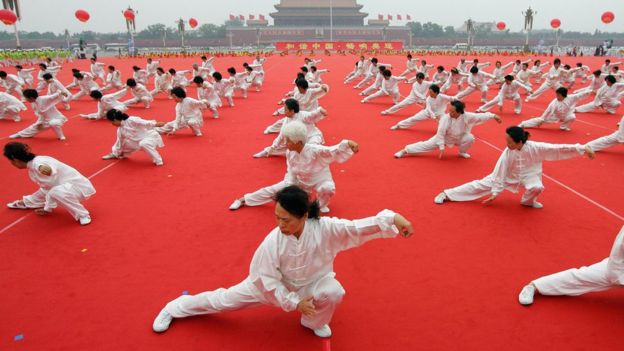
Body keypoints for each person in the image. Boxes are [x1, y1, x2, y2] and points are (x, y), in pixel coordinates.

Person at [153, 185, 414, 337]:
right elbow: (265, 279)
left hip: (312, 281)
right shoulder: (273, 241)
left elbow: (356, 228)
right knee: (223, 301)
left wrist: (393, 220)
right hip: (272, 287)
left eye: (286, 219)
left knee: (334, 291)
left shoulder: (325, 228)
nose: (280, 224)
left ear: (304, 216)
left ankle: (314, 321)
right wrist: (293, 302)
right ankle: (177, 306)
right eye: (277, 217)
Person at [433, 126, 595, 208]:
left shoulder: (535, 147)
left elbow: (557, 149)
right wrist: (495, 191)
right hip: (507, 175)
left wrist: (581, 148)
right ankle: (447, 193)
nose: (507, 145)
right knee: (480, 185)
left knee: (537, 187)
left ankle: (528, 202)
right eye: (506, 141)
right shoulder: (508, 153)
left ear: (520, 142)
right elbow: (500, 172)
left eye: (510, 142)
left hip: (529, 174)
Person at [229, 121, 359, 213]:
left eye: (288, 140)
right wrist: (289, 186)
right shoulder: (290, 152)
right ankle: (243, 200)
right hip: (299, 181)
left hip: (319, 180)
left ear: (299, 142)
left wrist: (348, 144)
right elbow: (291, 170)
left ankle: (320, 205)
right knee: (274, 190)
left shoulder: (314, 150)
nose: (285, 143)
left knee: (327, 188)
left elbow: (333, 150)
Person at [518, 225, 624, 306]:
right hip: (619, 269)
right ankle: (535, 286)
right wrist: (619, 278)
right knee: (581, 277)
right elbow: (617, 256)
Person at [4, 141, 94, 225]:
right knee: (46, 191)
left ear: (15, 160)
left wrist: (43, 168)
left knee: (55, 192)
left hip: (77, 188)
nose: (11, 163)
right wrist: (47, 208)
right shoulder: (32, 165)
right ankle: (28, 202)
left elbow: (46, 167)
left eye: (10, 161)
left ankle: (83, 215)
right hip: (63, 187)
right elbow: (47, 188)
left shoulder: (38, 162)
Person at [394, 100, 501, 158]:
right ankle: (405, 150)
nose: (450, 113)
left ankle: (462, 152)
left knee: (470, 138)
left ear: (460, 112)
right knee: (426, 145)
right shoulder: (446, 118)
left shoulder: (467, 116)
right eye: (450, 110)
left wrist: (493, 116)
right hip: (444, 137)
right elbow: (440, 133)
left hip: (459, 137)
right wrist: (441, 147)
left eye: (453, 111)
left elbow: (480, 116)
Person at [253, 99, 327, 158]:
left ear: (292, 111)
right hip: (299, 143)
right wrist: (273, 146)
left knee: (311, 150)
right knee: (288, 149)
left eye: (285, 110)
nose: (284, 112)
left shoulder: (303, 115)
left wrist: (320, 111)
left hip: (312, 138)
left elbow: (312, 114)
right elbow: (281, 135)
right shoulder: (286, 120)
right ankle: (267, 151)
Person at [519, 87, 591, 131]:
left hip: (566, 114)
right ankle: (523, 124)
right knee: (540, 120)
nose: (557, 96)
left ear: (564, 95)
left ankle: (563, 127)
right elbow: (548, 112)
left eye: (559, 95)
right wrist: (543, 120)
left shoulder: (571, 98)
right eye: (556, 94)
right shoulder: (554, 103)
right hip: (555, 116)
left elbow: (580, 95)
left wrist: (589, 91)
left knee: (572, 117)